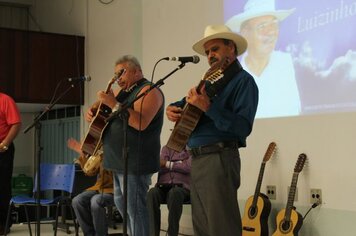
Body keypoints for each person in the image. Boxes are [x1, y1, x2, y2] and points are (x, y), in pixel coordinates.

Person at [166, 25, 258, 236]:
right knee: (203, 227)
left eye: (214, 49)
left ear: (231, 49)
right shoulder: (209, 83)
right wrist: (173, 108)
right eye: (207, 52)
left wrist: (208, 107)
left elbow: (243, 127)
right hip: (196, 160)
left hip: (219, 158)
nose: (210, 55)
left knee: (221, 227)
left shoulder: (244, 82)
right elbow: (185, 103)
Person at [86, 55, 164, 236]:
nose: (118, 78)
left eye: (122, 73)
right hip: (118, 161)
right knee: (124, 207)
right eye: (116, 74)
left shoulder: (149, 90)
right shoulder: (125, 92)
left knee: (135, 209)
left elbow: (141, 122)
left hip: (136, 161)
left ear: (137, 71)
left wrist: (113, 103)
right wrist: (93, 111)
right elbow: (110, 113)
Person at [226, 0, 300, 118]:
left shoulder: (288, 64)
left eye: (274, 24)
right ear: (245, 34)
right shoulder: (234, 78)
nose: (271, 32)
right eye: (262, 26)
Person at [67, 138, 115, 236]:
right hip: (98, 188)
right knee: (77, 201)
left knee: (96, 201)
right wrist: (82, 153)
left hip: (114, 190)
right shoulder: (101, 153)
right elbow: (89, 171)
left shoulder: (115, 152)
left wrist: (104, 156)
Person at [147, 145, 191, 236]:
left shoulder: (190, 149)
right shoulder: (166, 149)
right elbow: (159, 166)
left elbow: (188, 167)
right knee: (152, 193)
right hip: (164, 186)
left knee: (175, 193)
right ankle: (152, 234)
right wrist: (179, 163)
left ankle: (172, 234)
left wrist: (167, 164)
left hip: (183, 188)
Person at [0, 92, 21, 235]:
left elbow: (16, 124)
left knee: (2, 186)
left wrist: (5, 144)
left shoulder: (5, 100)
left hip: (2, 149)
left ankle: (3, 224)